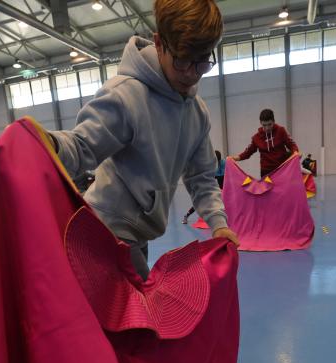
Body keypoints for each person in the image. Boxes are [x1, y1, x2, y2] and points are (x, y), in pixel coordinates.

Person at [50, 0, 238, 279]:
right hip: (107, 230)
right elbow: (81, 147)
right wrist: (48, 143)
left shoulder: (197, 113)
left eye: (202, 62)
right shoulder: (125, 96)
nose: (191, 73)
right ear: (160, 43)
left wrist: (218, 223)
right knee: (140, 315)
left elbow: (201, 177)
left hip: (138, 233)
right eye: (183, 60)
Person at [228, 109, 300, 177]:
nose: (267, 128)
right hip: (266, 172)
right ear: (260, 123)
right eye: (264, 125)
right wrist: (235, 158)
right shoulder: (256, 137)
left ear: (274, 121)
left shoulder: (281, 131)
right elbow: (247, 152)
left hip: (282, 169)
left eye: (269, 124)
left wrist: (296, 152)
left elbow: (291, 144)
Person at [183, 150, 224, 224]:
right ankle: (186, 215)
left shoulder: (223, 163)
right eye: (215, 161)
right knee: (202, 200)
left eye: (218, 161)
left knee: (224, 199)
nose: (217, 162)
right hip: (212, 181)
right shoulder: (209, 165)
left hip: (222, 181)